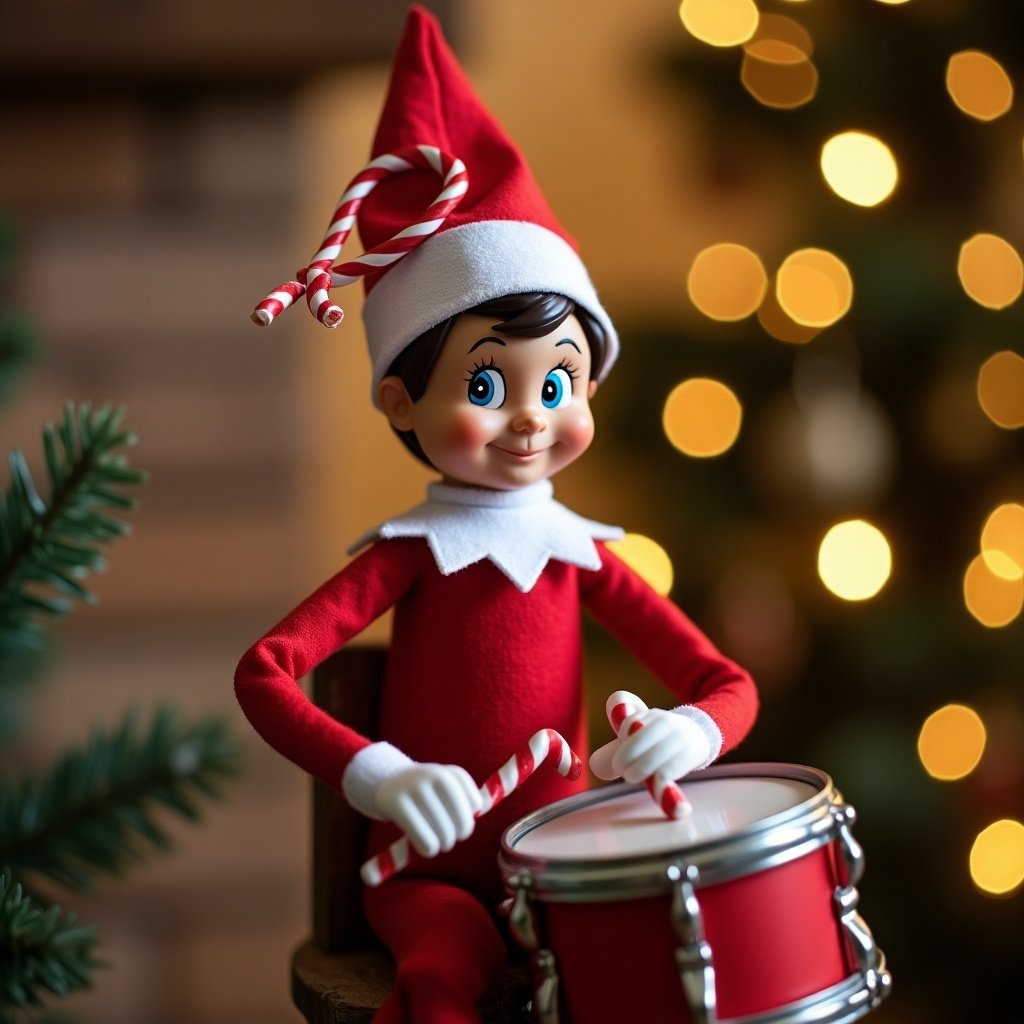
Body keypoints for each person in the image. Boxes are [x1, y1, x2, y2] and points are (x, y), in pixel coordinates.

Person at [235, 9, 758, 1023]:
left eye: (560, 385)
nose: (531, 417)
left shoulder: (579, 558)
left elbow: (726, 683)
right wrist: (376, 774)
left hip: (558, 857)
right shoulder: (410, 556)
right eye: (486, 388)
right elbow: (265, 672)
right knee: (449, 967)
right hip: (425, 872)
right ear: (400, 402)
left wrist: (688, 731)